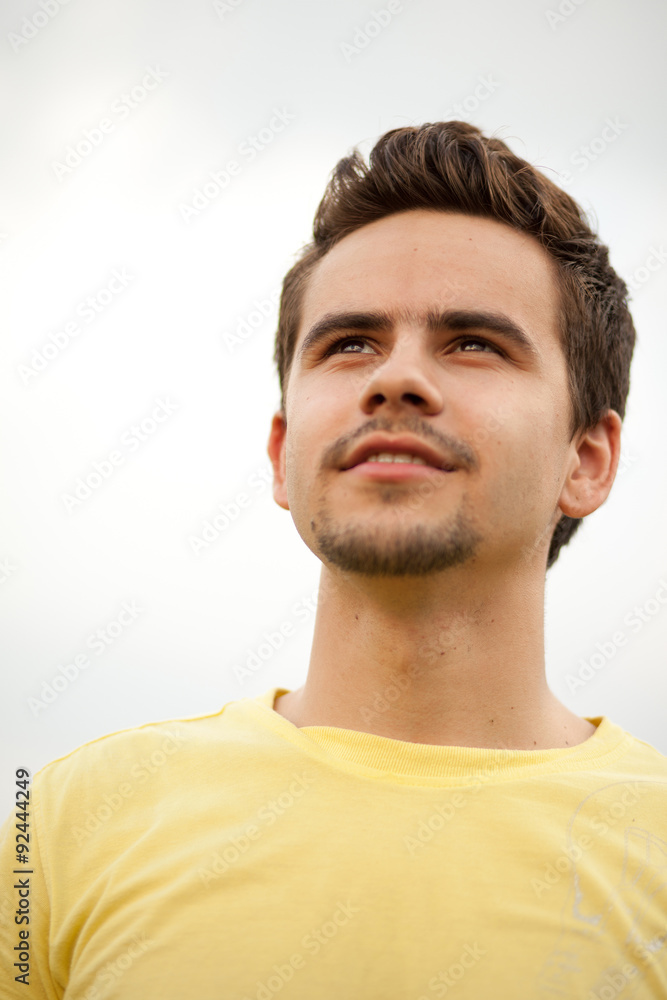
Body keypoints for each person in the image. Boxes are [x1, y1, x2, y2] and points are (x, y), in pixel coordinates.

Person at [1, 121, 665, 999]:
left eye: (473, 342)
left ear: (585, 460)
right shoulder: (50, 828)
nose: (393, 379)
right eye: (348, 342)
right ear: (281, 452)